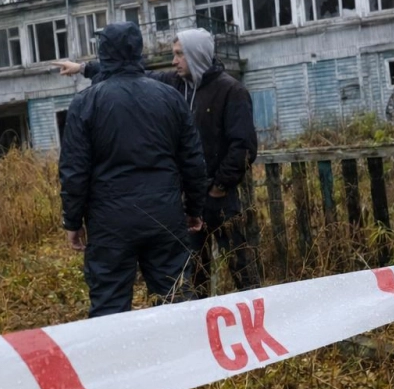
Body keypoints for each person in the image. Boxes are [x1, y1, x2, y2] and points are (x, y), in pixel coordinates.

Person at [55, 27, 260, 296]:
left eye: (179, 55)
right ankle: (199, 325)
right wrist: (82, 68)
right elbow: (129, 75)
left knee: (241, 265)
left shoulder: (230, 90)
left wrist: (218, 187)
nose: (174, 61)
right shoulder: (173, 85)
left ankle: (259, 321)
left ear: (197, 56)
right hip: (186, 200)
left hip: (220, 198)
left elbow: (243, 146)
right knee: (192, 272)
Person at [58, 21, 208, 317]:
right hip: (164, 216)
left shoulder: (85, 103)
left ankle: (115, 362)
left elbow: (74, 170)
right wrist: (194, 208)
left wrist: (73, 222)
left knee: (110, 306)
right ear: (138, 51)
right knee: (175, 299)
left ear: (104, 53)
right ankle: (181, 360)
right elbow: (192, 160)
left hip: (109, 222)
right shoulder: (169, 97)